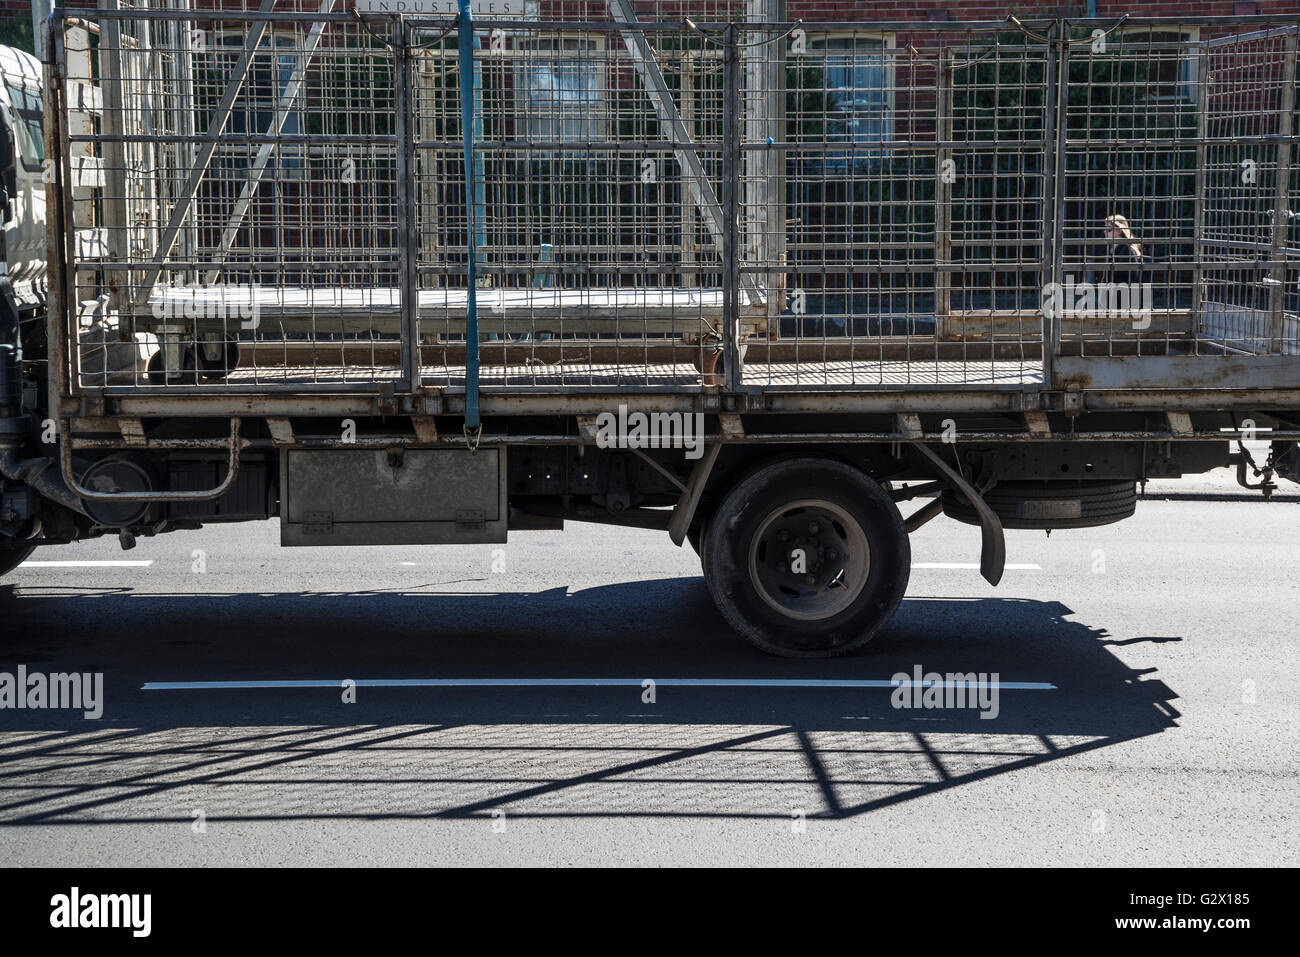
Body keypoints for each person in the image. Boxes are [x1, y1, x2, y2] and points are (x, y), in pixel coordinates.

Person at [1102, 213, 1144, 286]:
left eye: (1108, 229)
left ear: (1119, 231)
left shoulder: (1126, 251)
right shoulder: (1113, 249)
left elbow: (1131, 280)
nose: (1104, 232)